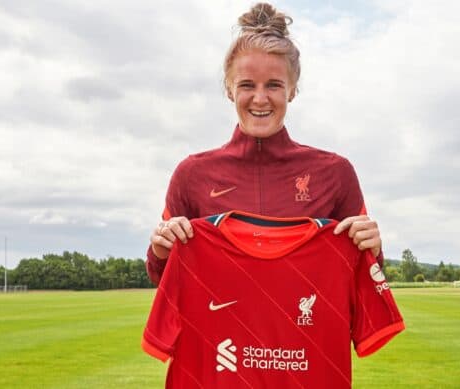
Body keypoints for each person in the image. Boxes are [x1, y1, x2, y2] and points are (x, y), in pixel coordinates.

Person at [146, 2, 383, 286]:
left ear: (292, 90)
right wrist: (161, 249)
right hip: (222, 331)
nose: (260, 99)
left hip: (307, 330)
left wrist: (374, 248)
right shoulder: (191, 175)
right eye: (247, 85)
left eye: (273, 85)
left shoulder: (335, 173)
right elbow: (165, 280)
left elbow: (366, 278)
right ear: (229, 90)